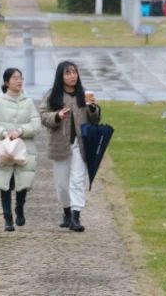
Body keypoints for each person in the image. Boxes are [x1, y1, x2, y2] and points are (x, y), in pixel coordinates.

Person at [39, 60, 99, 233]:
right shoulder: (52, 96)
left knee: (77, 180)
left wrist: (93, 108)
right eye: (68, 73)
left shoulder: (83, 94)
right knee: (62, 184)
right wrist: (57, 116)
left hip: (80, 145)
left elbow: (94, 120)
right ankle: (66, 211)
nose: (73, 76)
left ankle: (76, 216)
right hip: (60, 144)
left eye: (74, 72)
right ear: (61, 76)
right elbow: (43, 116)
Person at [0, 67, 42, 232]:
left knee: (22, 183)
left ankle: (20, 208)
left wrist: (21, 131)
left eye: (21, 77)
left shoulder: (28, 102)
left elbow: (36, 125)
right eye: (15, 78)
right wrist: (4, 133)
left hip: (24, 149)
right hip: (5, 149)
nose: (19, 81)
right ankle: (8, 218)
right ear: (6, 82)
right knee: (5, 183)